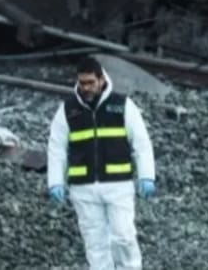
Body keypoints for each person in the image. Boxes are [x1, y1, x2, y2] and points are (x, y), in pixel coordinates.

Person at [46, 57, 156, 270]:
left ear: (102, 79)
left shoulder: (122, 106)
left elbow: (141, 143)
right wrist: (55, 181)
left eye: (90, 82)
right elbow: (56, 147)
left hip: (118, 185)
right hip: (83, 187)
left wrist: (146, 176)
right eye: (82, 83)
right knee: (95, 242)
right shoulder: (68, 110)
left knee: (124, 236)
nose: (86, 88)